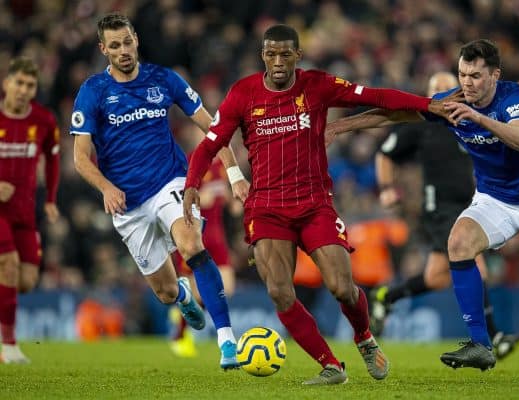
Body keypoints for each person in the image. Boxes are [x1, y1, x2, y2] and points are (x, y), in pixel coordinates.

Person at [182, 24, 460, 385]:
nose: (278, 61)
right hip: (265, 207)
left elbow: (376, 97)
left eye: (286, 53)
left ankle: (364, 337)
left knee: (343, 287)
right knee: (280, 293)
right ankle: (331, 365)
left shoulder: (317, 85)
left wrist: (427, 105)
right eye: (271, 53)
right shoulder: (242, 94)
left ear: (298, 55)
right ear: (262, 55)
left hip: (314, 204)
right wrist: (191, 185)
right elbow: (209, 145)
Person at [328, 39, 519, 370]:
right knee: (458, 243)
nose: (466, 83)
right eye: (462, 74)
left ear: (494, 75)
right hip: (494, 199)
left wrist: (479, 118)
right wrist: (340, 126)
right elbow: (392, 115)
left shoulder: (512, 97)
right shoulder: (451, 102)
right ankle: (481, 345)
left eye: (474, 76)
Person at [69, 13, 250, 370]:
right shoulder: (93, 91)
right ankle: (183, 295)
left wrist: (233, 172)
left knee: (192, 244)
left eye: (127, 42)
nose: (123, 51)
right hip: (127, 204)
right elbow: (79, 158)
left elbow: (213, 127)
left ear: (136, 38)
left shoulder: (164, 79)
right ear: (104, 49)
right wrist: (105, 187)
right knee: (166, 292)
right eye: (115, 45)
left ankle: (226, 340)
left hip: (171, 182)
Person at [0, 56, 60, 364]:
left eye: (30, 85)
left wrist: (50, 199)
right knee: (7, 266)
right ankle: (9, 345)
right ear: (6, 83)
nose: (24, 90)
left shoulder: (43, 120)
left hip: (25, 212)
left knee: (25, 281)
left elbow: (53, 158)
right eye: (19, 83)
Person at [169, 159, 237, 358]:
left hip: (218, 235)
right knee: (197, 286)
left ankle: (183, 313)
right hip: (196, 233)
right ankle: (180, 333)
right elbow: (177, 194)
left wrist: (231, 202)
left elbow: (222, 192)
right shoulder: (192, 160)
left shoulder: (223, 164)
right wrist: (197, 199)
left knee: (228, 287)